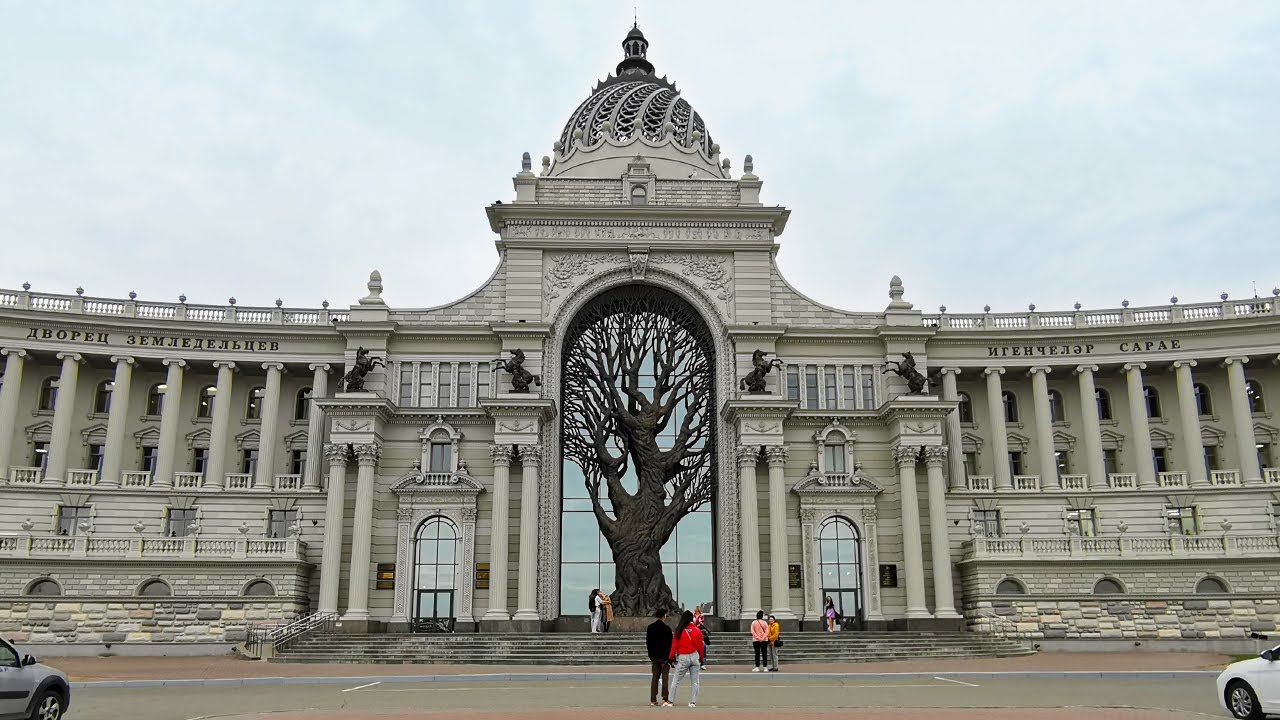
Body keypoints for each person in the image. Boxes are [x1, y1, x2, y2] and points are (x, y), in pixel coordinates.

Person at [668, 609, 705, 708]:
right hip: (695, 656)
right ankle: (693, 702)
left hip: (683, 657)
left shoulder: (679, 630)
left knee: (676, 680)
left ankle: (670, 701)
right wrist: (702, 659)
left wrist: (671, 658)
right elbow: (700, 647)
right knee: (695, 682)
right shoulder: (697, 630)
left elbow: (674, 646)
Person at [645, 608, 673, 707]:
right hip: (665, 656)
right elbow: (670, 644)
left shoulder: (650, 627)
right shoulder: (667, 628)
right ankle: (665, 698)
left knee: (655, 677)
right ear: (664, 616)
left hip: (654, 656)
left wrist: (651, 655)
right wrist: (671, 657)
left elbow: (648, 643)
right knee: (665, 678)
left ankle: (653, 700)